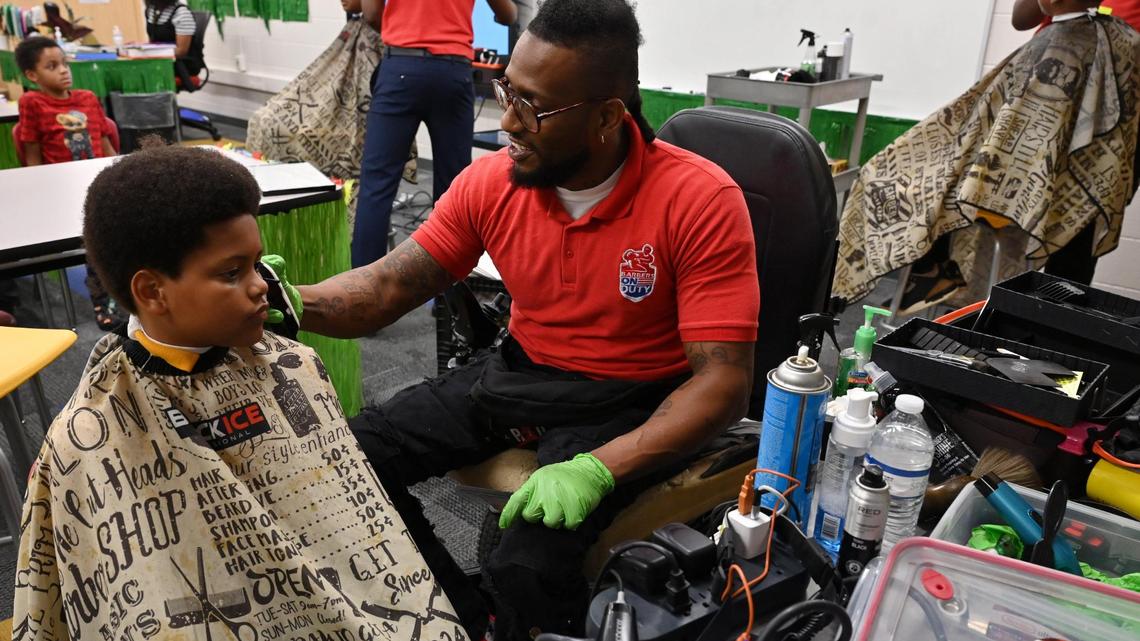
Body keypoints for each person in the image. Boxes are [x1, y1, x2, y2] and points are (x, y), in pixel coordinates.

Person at [275, 1, 760, 639]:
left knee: (528, 565)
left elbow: (724, 380)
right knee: (348, 460)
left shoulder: (699, 200)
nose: (507, 122)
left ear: (609, 116)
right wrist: (289, 302)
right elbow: (390, 284)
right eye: (506, 91)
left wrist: (599, 467)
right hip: (523, 374)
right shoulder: (493, 183)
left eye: (533, 106)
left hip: (632, 398)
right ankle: (467, 618)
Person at [12, 146, 463, 640]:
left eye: (255, 266)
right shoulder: (87, 436)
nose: (261, 288)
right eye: (233, 273)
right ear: (152, 292)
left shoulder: (295, 366)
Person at [834, 0, 1140, 313]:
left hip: (1069, 157)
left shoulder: (1118, 44)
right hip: (1030, 142)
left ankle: (1051, 325)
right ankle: (935, 271)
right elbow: (1022, 17)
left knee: (1074, 246)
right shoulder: (1076, 40)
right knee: (916, 174)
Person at [351, 0, 517, 267]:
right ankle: (448, 299)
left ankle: (359, 296)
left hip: (400, 68)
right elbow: (509, 14)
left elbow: (370, 14)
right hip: (452, 72)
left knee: (376, 187)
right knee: (453, 190)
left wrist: (405, 34)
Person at [245, 0, 418, 226]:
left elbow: (373, 14)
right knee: (264, 121)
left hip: (360, 124)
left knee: (283, 130)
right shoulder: (356, 31)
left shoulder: (380, 37)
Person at [15, 36, 124, 329]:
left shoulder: (87, 98)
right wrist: (38, 192)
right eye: (52, 66)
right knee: (96, 236)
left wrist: (123, 172)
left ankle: (131, 288)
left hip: (97, 181)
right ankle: (104, 299)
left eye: (64, 63)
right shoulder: (32, 102)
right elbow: (32, 155)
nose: (64, 70)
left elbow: (105, 145)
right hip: (62, 189)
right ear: (32, 75)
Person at [143, 0, 205, 92]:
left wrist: (154, 54)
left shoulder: (181, 12)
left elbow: (181, 51)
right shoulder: (151, 10)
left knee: (142, 73)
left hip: (182, 64)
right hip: (160, 61)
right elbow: (153, 41)